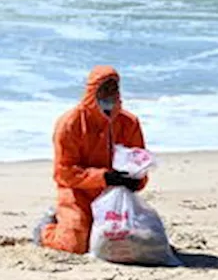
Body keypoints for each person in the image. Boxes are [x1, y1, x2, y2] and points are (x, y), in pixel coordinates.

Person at [33, 65, 147, 254]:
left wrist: (136, 181)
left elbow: (139, 160)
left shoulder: (129, 123)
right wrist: (104, 177)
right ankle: (46, 228)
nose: (110, 93)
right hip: (77, 191)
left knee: (133, 239)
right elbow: (64, 172)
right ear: (92, 90)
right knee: (76, 244)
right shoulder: (71, 123)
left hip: (114, 193)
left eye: (114, 88)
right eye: (104, 88)